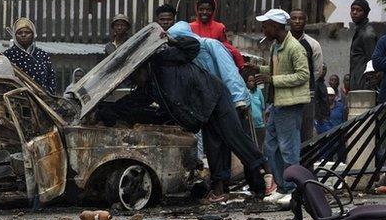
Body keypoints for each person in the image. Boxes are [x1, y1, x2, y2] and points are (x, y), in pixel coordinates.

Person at [97, 34, 269, 200]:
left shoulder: (162, 59)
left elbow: (192, 47)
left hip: (213, 96)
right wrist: (104, 109)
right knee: (214, 148)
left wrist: (172, 40)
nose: (136, 82)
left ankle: (267, 176)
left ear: (142, 66)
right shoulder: (149, 88)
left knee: (234, 138)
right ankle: (221, 190)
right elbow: (130, 103)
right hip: (201, 111)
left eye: (135, 76)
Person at [167, 21, 257, 199]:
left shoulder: (211, 45)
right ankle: (221, 188)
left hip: (231, 101)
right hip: (210, 104)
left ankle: (260, 184)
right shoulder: (188, 55)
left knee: (240, 142)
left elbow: (229, 72)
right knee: (216, 147)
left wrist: (238, 100)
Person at [253, 8, 311, 196]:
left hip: (290, 104)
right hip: (278, 103)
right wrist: (258, 68)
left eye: (265, 26)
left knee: (288, 149)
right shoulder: (276, 45)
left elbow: (303, 75)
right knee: (270, 147)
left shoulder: (294, 47)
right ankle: (284, 186)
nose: (263, 30)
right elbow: (274, 69)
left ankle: (294, 189)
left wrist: (272, 80)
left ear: (275, 26)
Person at [289, 9, 324, 141]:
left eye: (300, 18)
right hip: (286, 95)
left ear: (306, 21)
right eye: (294, 18)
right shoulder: (281, 42)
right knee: (288, 132)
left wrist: (302, 83)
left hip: (307, 95)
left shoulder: (313, 44)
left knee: (305, 133)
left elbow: (317, 71)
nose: (297, 21)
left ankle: (305, 161)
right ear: (289, 21)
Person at [4, 17, 56, 94]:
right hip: (16, 99)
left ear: (33, 34)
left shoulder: (42, 55)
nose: (23, 35)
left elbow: (51, 78)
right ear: (15, 36)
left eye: (27, 32)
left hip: (40, 100)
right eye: (19, 33)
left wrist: (47, 93)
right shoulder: (8, 55)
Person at [190, 0, 244, 69]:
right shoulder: (190, 27)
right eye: (201, 9)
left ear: (213, 11)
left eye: (208, 10)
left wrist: (240, 63)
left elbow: (225, 47)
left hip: (215, 68)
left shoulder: (219, 27)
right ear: (197, 10)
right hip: (195, 67)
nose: (204, 12)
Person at [349, 0, 378, 91]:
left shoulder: (367, 34)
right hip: (356, 80)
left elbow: (372, 61)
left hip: (363, 84)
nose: (354, 12)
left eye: (359, 10)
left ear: (365, 13)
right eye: (352, 9)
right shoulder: (359, 30)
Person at [247, 73, 267, 148]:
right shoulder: (245, 92)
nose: (251, 82)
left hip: (260, 125)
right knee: (252, 146)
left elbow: (263, 107)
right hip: (250, 125)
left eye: (252, 81)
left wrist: (264, 123)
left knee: (260, 145)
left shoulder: (258, 91)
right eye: (249, 81)